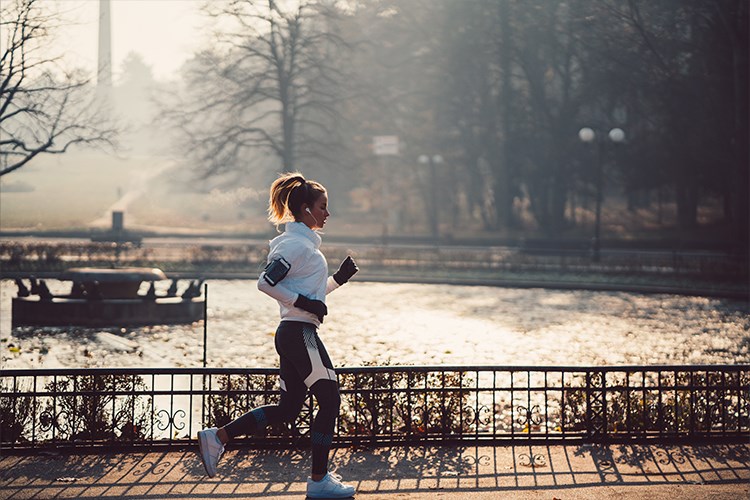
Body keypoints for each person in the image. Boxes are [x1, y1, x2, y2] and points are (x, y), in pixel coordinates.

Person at [197, 172, 359, 499]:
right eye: (323, 207)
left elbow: (309, 294)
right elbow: (266, 283)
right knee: (329, 401)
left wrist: (338, 280)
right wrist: (306, 302)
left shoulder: (301, 246)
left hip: (293, 332)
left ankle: (218, 437)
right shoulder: (297, 245)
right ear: (305, 208)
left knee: (288, 410)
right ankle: (318, 481)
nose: (328, 213)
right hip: (299, 334)